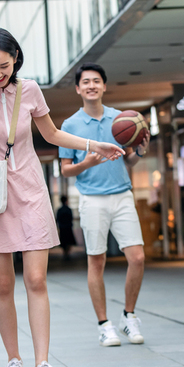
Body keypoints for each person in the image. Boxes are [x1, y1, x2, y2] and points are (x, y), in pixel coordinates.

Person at [0, 29, 124, 367]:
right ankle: (13, 361)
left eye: (3, 66)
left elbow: (51, 135)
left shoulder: (31, 90)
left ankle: (42, 363)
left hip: (31, 191)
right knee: (3, 284)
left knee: (36, 279)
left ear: (16, 59)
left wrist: (93, 145)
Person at [58, 63, 150, 347]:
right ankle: (104, 324)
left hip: (122, 194)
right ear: (78, 88)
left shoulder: (121, 120)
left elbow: (130, 159)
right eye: (86, 82)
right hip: (91, 199)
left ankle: (129, 316)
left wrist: (142, 152)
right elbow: (65, 169)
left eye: (96, 81)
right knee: (96, 261)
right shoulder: (70, 126)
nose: (91, 86)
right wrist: (84, 162)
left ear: (104, 86)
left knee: (137, 258)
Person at [55, 195, 76, 260]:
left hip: (62, 227)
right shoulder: (69, 209)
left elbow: (57, 219)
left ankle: (65, 252)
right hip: (68, 227)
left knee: (63, 241)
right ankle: (67, 252)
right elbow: (71, 218)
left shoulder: (59, 210)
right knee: (69, 240)